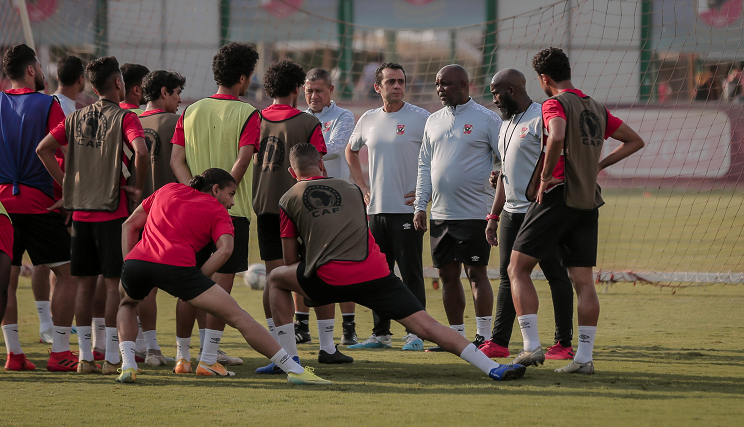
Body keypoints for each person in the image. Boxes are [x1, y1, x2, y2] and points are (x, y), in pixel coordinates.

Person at [268, 143, 525, 381]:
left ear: (292, 172)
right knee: (427, 325)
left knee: (276, 279)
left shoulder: (288, 198)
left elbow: (290, 260)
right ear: (321, 165)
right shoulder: (353, 190)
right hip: (375, 273)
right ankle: (493, 368)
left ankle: (289, 362)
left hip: (328, 278)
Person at [116, 168, 329, 385]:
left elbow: (129, 225)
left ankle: (128, 366)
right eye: (231, 194)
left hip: (136, 264)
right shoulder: (218, 210)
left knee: (127, 304)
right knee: (239, 317)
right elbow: (226, 249)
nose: (232, 202)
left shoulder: (167, 189)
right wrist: (200, 278)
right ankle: (294, 370)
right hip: (178, 268)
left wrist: (128, 265)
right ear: (216, 189)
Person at [507, 47, 644, 374]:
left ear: (544, 78)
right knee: (583, 281)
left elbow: (556, 136)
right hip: (588, 200)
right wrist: (599, 165)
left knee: (517, 268)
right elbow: (634, 141)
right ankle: (583, 358)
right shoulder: (595, 107)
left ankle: (530, 347)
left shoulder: (554, 103)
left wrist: (544, 177)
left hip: (557, 195)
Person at [37, 55, 150, 375]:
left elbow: (43, 149)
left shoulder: (74, 117)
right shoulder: (126, 117)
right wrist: (137, 186)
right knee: (114, 286)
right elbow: (141, 152)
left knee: (84, 286)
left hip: (81, 214)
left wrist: (67, 187)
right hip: (112, 212)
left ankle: (85, 357)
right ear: (118, 83)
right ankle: (112, 356)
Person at [253, 59, 352, 372]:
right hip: (304, 207)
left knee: (275, 279)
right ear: (297, 88)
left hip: (266, 207)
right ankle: (327, 347)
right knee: (319, 273)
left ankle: (283, 355)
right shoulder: (307, 122)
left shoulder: (255, 119)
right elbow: (317, 164)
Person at [170, 42, 260, 372]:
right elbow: (243, 160)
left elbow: (176, 160)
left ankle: (182, 357)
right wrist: (222, 196)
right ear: (243, 78)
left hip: (191, 215)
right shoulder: (248, 113)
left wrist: (196, 195)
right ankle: (208, 358)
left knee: (190, 284)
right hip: (230, 214)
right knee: (220, 287)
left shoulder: (190, 111)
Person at [478, 68, 575, 360]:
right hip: (511, 213)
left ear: (510, 90)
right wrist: (493, 216)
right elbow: (504, 174)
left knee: (555, 274)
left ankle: (563, 343)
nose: (494, 99)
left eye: (496, 92)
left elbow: (561, 158)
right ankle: (499, 341)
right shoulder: (505, 124)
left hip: (540, 210)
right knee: (508, 276)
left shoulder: (540, 116)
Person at [0, 44, 78, 371]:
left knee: (7, 279)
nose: (44, 72)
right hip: (38, 203)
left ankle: (15, 353)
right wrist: (69, 190)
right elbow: (63, 151)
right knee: (69, 274)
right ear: (31, 70)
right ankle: (59, 351)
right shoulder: (48, 104)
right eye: (41, 66)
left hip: (3, 207)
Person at [413, 64, 501, 351]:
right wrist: (420, 205)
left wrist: (498, 176)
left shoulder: (487, 119)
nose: (440, 89)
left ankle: (484, 337)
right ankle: (456, 338)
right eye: (437, 84)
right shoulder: (433, 120)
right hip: (440, 214)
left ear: (464, 85)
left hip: (474, 212)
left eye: (446, 84)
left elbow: (506, 157)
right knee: (447, 276)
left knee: (476, 273)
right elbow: (424, 165)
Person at [345, 62, 430, 351]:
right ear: (377, 87)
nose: (397, 86)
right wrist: (362, 186)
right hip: (376, 211)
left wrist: (424, 192)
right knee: (378, 273)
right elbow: (351, 150)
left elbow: (437, 155)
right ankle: (380, 334)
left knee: (410, 274)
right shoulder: (368, 119)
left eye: (401, 81)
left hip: (407, 210)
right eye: (391, 81)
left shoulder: (421, 118)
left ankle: (415, 334)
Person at [129, 70, 186, 367]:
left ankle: (148, 347)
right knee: (191, 281)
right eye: (177, 93)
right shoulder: (179, 123)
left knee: (144, 283)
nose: (179, 100)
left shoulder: (130, 121)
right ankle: (197, 350)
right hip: (172, 213)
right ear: (164, 92)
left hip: (136, 212)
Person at [301, 67, 358, 345]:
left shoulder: (343, 116)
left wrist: (302, 154)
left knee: (342, 264)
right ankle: (301, 325)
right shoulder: (300, 117)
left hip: (338, 202)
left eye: (319, 90)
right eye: (309, 91)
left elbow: (336, 147)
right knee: (303, 263)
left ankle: (349, 327)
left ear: (331, 90)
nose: (314, 96)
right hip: (305, 201)